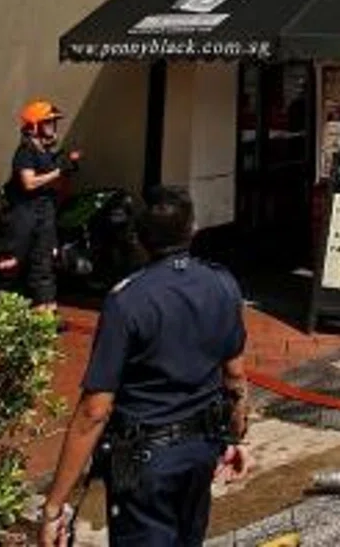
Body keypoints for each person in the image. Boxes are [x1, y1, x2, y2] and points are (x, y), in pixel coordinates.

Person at [40, 186, 250, 547]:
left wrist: (54, 507)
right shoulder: (222, 284)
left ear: (139, 239)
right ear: (193, 228)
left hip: (145, 461)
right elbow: (235, 376)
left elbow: (94, 410)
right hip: (201, 449)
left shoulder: (128, 300)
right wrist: (233, 438)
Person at [6, 99, 77, 313]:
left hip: (45, 211)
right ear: (34, 126)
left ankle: (48, 307)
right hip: (27, 213)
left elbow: (54, 178)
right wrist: (57, 172)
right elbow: (29, 182)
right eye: (48, 123)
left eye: (53, 123)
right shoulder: (26, 152)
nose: (52, 127)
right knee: (25, 260)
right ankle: (33, 308)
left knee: (45, 260)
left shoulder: (45, 152)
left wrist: (68, 164)